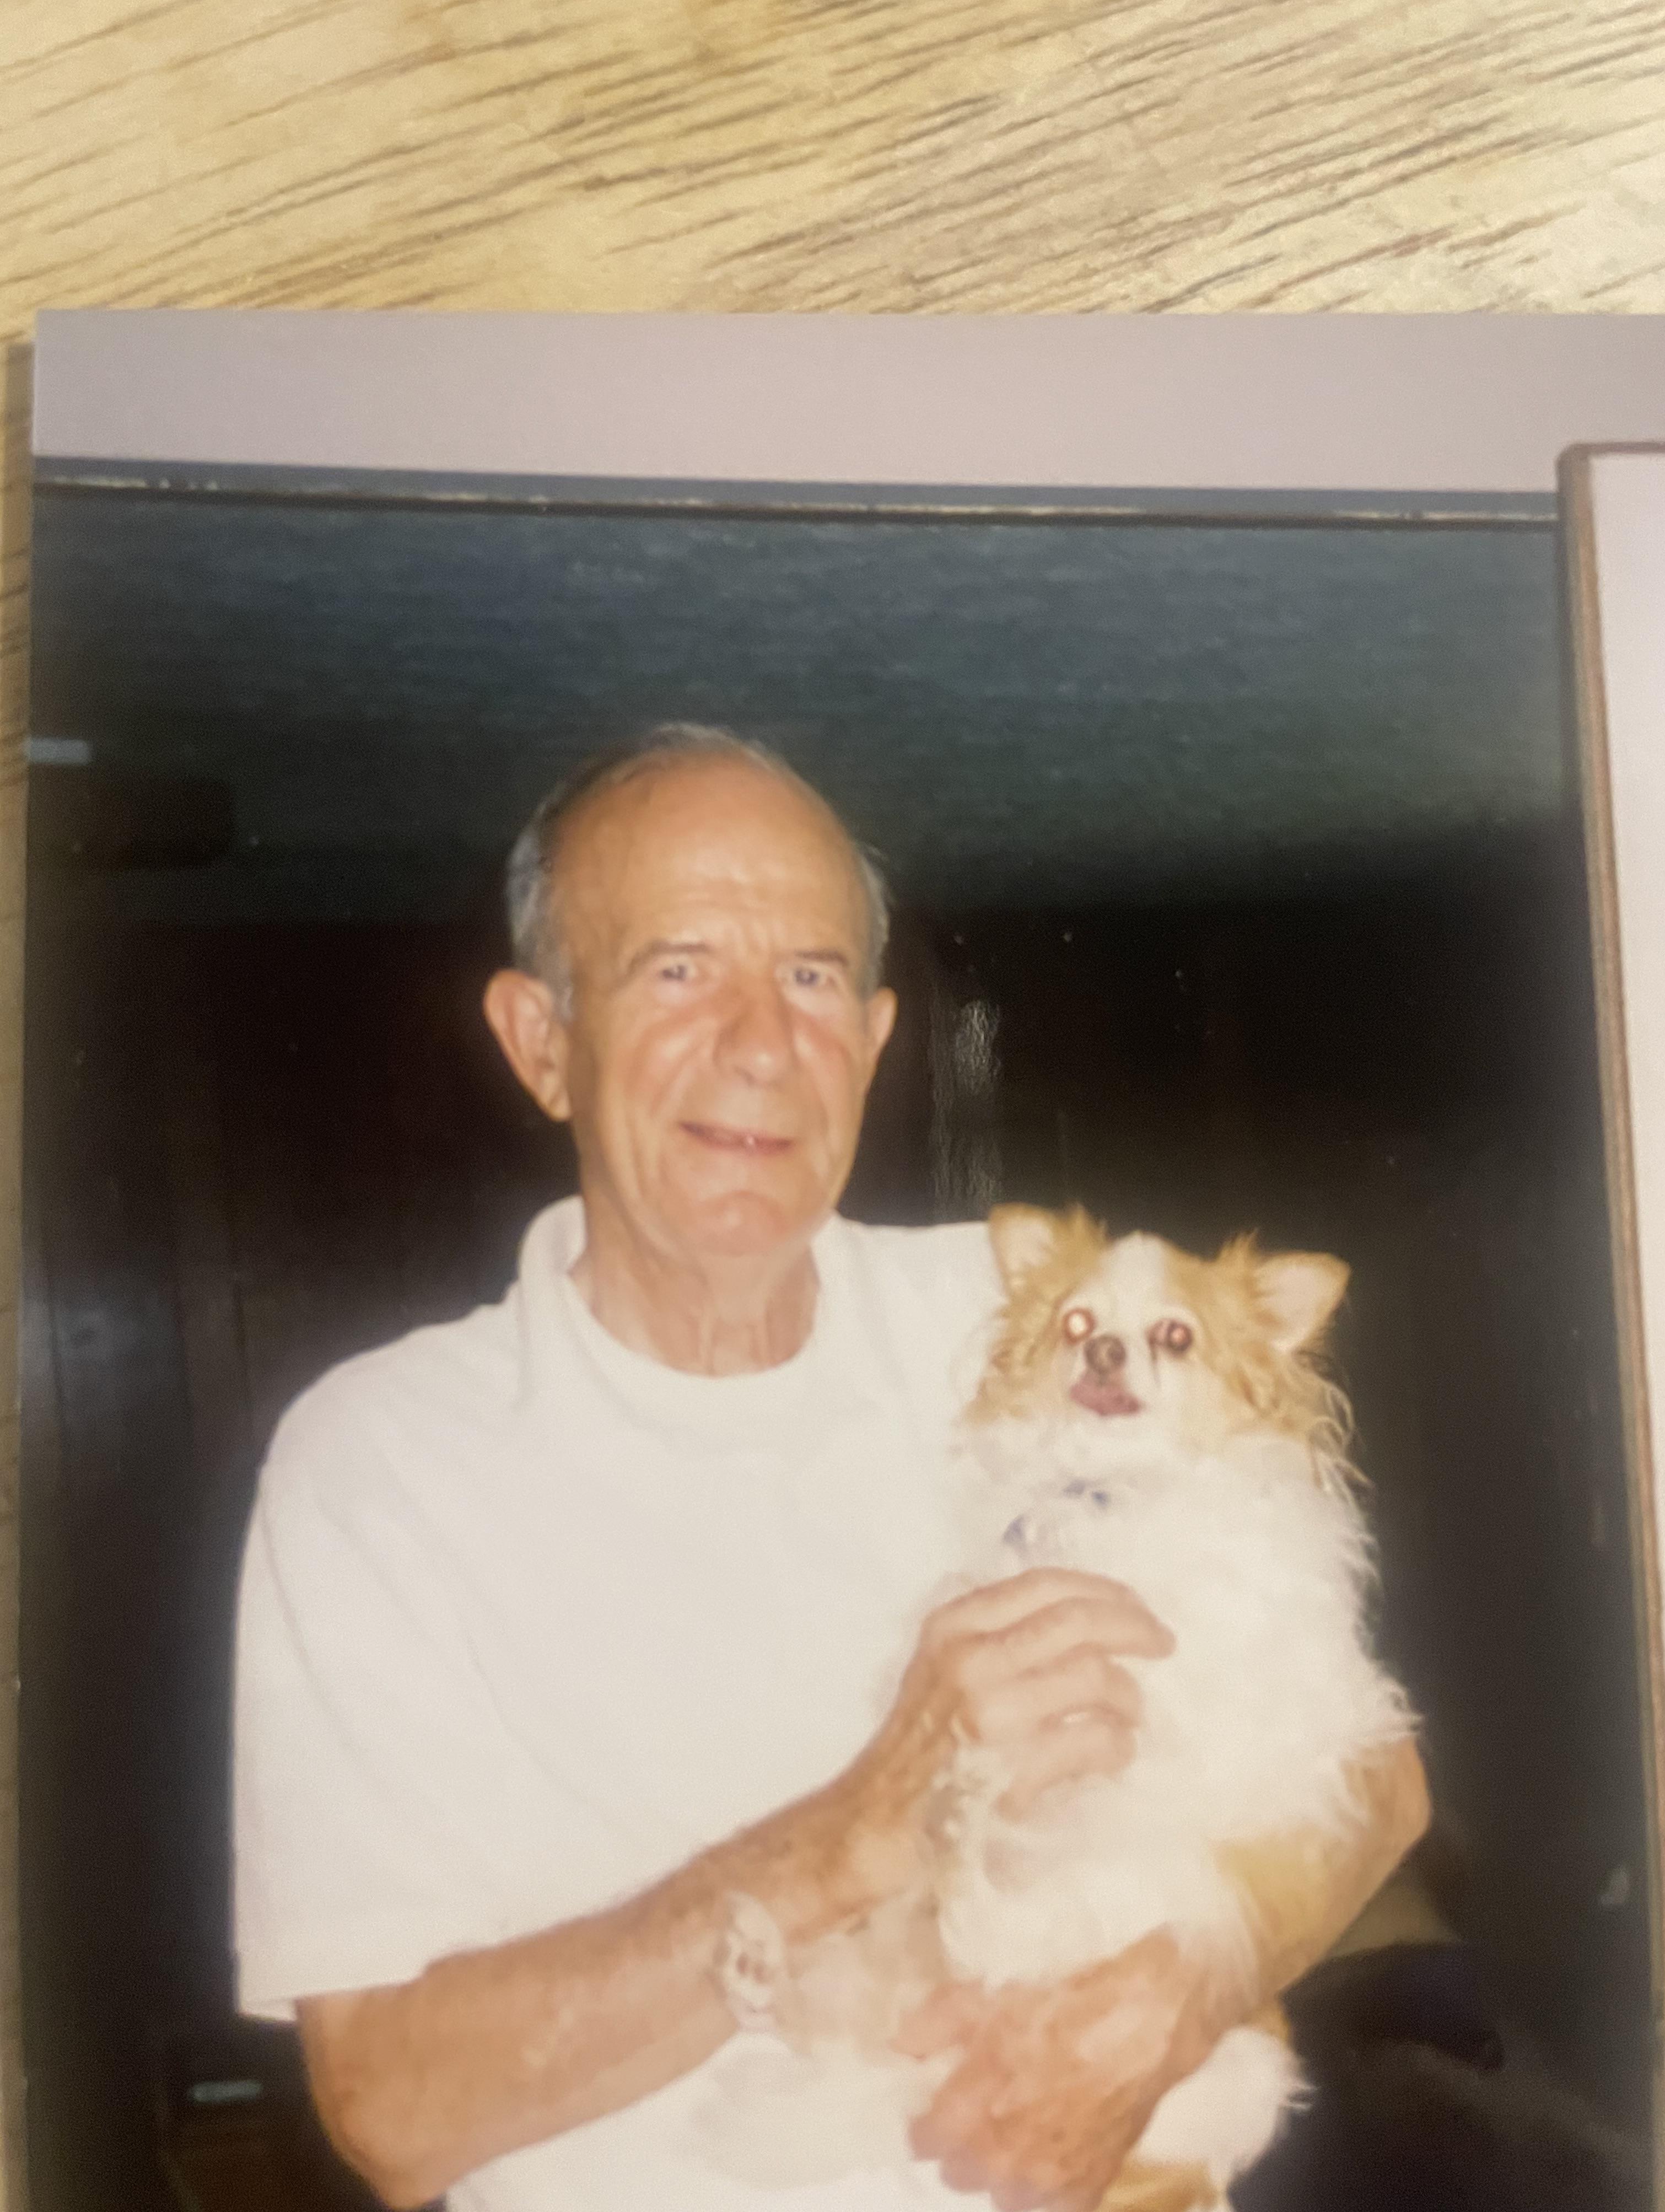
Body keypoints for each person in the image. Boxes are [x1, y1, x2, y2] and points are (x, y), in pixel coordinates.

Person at [233, 724, 1428, 2212]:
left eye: (808, 978)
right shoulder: (378, 1466)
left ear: (869, 1042)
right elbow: (390, 2112)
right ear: (544, 1042)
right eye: (677, 968)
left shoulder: (1022, 1330)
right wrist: (848, 1839)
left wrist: (1178, 1993)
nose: (757, 1042)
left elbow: (1376, 1783)